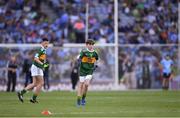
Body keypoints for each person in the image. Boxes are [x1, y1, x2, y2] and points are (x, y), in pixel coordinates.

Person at [17, 38, 49, 103]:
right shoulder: (40, 49)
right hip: (36, 67)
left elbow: (42, 58)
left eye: (47, 43)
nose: (47, 45)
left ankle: (21, 93)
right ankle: (33, 98)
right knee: (41, 83)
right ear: (42, 43)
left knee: (34, 83)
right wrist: (42, 64)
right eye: (45, 43)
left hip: (38, 67)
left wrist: (44, 63)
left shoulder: (44, 50)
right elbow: (35, 59)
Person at [76, 39, 99, 106]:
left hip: (90, 70)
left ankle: (83, 98)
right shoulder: (84, 52)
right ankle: (78, 100)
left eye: (92, 44)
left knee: (86, 84)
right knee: (81, 85)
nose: (91, 46)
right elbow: (78, 58)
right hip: (82, 70)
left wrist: (96, 65)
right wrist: (78, 61)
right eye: (90, 44)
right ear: (87, 45)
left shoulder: (95, 53)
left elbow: (97, 59)